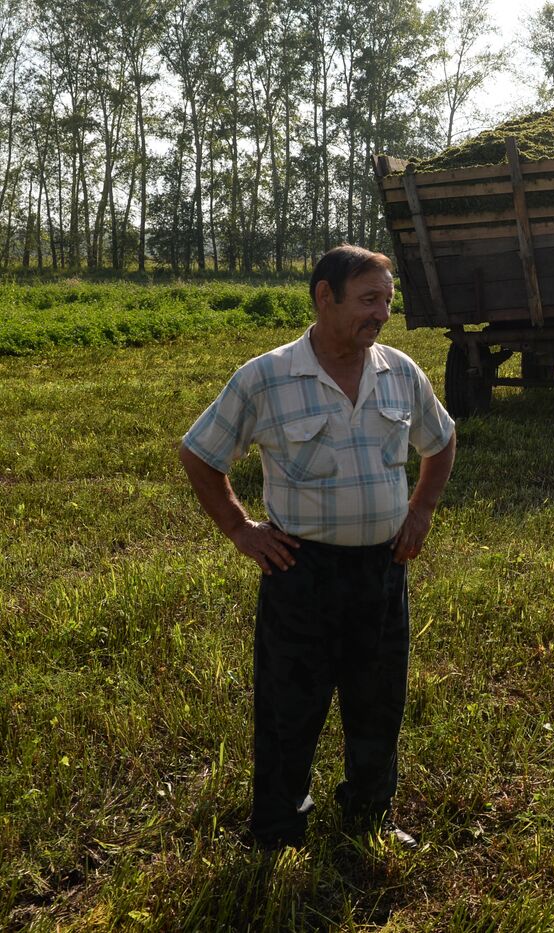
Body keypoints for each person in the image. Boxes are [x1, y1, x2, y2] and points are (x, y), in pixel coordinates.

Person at [178, 245, 457, 851]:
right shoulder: (266, 377)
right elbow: (199, 454)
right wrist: (239, 528)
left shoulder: (400, 371)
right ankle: (278, 827)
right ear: (324, 296)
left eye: (387, 300)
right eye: (368, 300)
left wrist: (423, 509)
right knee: (288, 710)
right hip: (301, 572)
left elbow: (443, 441)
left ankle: (368, 812)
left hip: (383, 569)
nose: (381, 313)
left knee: (378, 700)